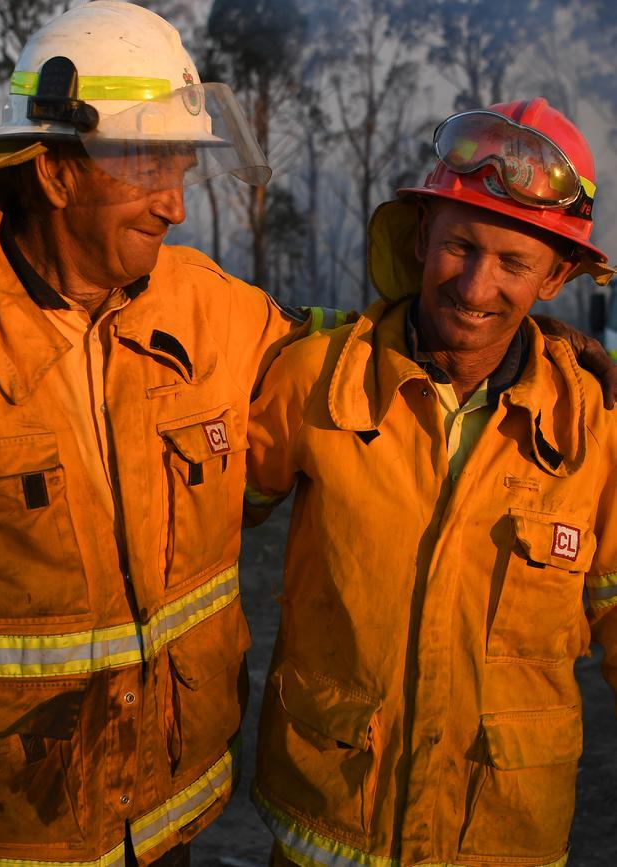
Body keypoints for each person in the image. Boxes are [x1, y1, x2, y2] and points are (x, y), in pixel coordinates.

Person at [0, 2, 354, 864]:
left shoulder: (210, 306)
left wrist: (519, 339)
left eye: (183, 167)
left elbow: (343, 352)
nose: (176, 206)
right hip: (7, 837)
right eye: (148, 166)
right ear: (58, 170)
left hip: (169, 816)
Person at [245, 98, 617, 867]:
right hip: (330, 835)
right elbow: (184, 524)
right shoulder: (318, 380)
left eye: (514, 263)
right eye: (459, 247)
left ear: (557, 276)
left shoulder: (598, 433)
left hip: (502, 840)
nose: (476, 288)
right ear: (421, 236)